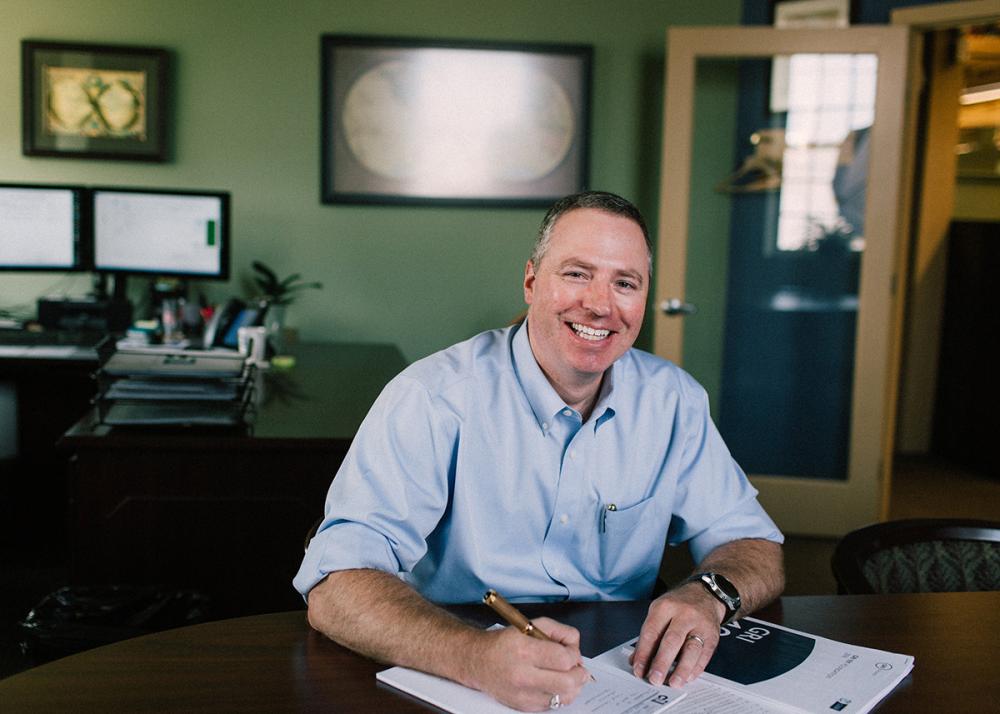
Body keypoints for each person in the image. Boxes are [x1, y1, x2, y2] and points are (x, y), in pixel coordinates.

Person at [295, 191, 784, 712]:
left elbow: (753, 543)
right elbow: (335, 583)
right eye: (577, 274)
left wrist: (709, 594)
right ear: (531, 281)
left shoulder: (674, 401)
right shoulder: (433, 397)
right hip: (454, 667)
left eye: (625, 283)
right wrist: (472, 656)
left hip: (623, 680)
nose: (599, 304)